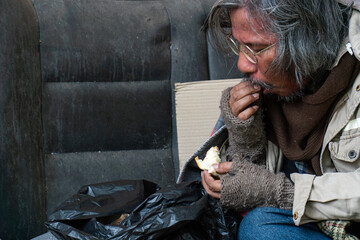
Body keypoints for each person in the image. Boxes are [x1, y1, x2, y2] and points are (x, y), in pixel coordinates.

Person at [200, 0, 360, 239]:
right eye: (239, 44)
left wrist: (285, 193)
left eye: (256, 48)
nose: (242, 64)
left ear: (308, 41)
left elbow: (271, 193)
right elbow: (245, 192)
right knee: (255, 224)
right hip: (313, 223)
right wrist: (245, 136)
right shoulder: (267, 88)